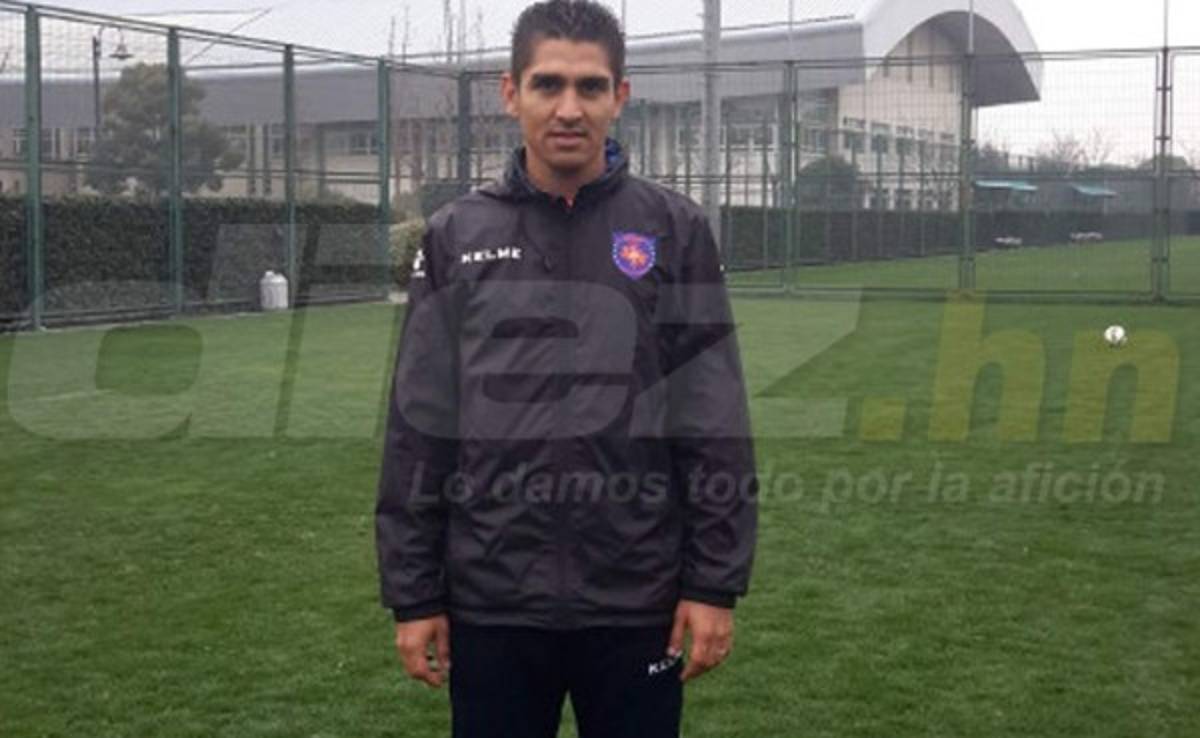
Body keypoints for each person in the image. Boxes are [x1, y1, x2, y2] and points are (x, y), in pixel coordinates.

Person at [375, 1, 758, 735]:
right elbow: (419, 426)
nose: (569, 108)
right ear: (510, 92)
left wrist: (713, 584)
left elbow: (712, 418)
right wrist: (415, 595)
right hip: (491, 600)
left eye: (590, 87)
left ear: (621, 96)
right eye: (548, 84)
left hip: (636, 597)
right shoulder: (458, 234)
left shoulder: (673, 231)